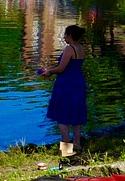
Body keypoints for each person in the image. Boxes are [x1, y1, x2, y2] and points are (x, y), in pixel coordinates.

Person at [37, 24, 87, 157]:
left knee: (62, 116)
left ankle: (66, 149)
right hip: (79, 83)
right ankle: (77, 144)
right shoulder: (80, 48)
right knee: (76, 115)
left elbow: (61, 68)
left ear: (70, 36)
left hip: (67, 85)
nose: (64, 37)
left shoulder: (69, 49)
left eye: (65, 34)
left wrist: (49, 71)